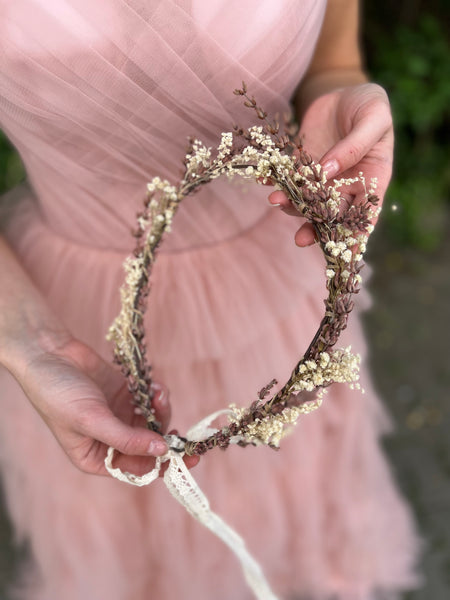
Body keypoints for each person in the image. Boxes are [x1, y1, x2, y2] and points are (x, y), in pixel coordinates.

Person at [0, 1, 420, 598]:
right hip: (64, 323)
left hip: (275, 291)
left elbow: (335, 60)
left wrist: (341, 99)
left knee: (288, 507)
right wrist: (30, 341)